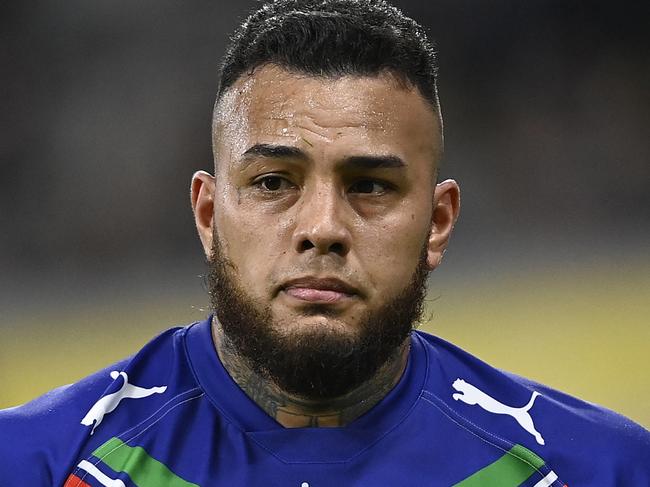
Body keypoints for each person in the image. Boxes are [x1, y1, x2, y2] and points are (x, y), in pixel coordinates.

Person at [1, 0, 648, 485]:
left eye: (369, 185)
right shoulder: (39, 463)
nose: (323, 228)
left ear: (439, 221)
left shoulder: (599, 469)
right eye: (274, 181)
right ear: (207, 214)